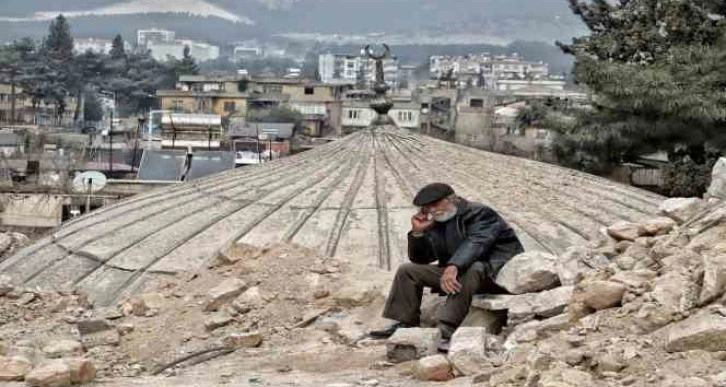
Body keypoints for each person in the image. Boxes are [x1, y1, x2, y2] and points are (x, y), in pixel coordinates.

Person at [369, 183, 524, 351]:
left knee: (473, 267)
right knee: (408, 270)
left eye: (435, 205)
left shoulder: (479, 213)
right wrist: (418, 233)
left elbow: (478, 242)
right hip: (459, 270)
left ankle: (446, 330)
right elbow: (421, 259)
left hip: (495, 272)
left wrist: (453, 266)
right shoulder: (437, 222)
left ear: (452, 200)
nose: (432, 211)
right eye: (427, 208)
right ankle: (405, 323)